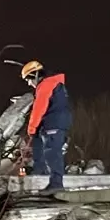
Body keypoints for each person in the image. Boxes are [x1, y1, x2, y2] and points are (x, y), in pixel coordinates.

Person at [21, 60, 72, 192]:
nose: (28, 83)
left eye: (28, 79)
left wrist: (31, 128)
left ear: (35, 75)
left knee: (52, 153)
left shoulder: (46, 85)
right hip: (55, 122)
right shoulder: (54, 85)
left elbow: (39, 108)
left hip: (53, 123)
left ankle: (56, 184)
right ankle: (44, 178)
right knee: (46, 152)